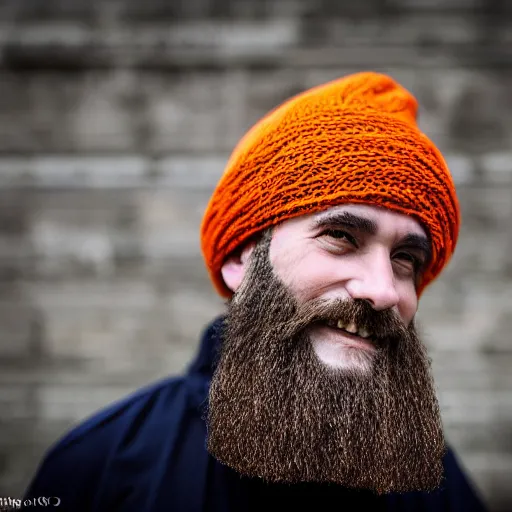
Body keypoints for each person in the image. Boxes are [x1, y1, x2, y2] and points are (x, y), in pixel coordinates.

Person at [23, 72, 487, 511]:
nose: (384, 290)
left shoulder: (434, 483)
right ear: (240, 259)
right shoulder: (101, 466)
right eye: (341, 237)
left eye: (405, 258)